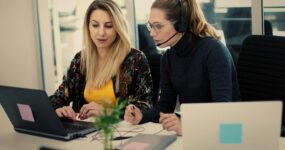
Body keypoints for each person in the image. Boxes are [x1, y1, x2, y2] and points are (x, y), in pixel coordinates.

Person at [124, 0, 240, 135]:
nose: (152, 34)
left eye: (158, 26)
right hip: (197, 133)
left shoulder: (214, 51)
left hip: (228, 133)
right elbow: (165, 105)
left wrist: (187, 126)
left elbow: (222, 111)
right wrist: (142, 117)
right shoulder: (168, 58)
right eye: (151, 26)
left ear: (181, 25)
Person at [49, 0, 153, 121]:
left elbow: (145, 107)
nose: (101, 32)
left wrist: (108, 112)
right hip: (85, 131)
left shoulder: (135, 59)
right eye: (95, 25)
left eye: (109, 26)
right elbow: (59, 97)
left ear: (118, 28)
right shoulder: (80, 60)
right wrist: (58, 109)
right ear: (88, 27)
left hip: (120, 132)